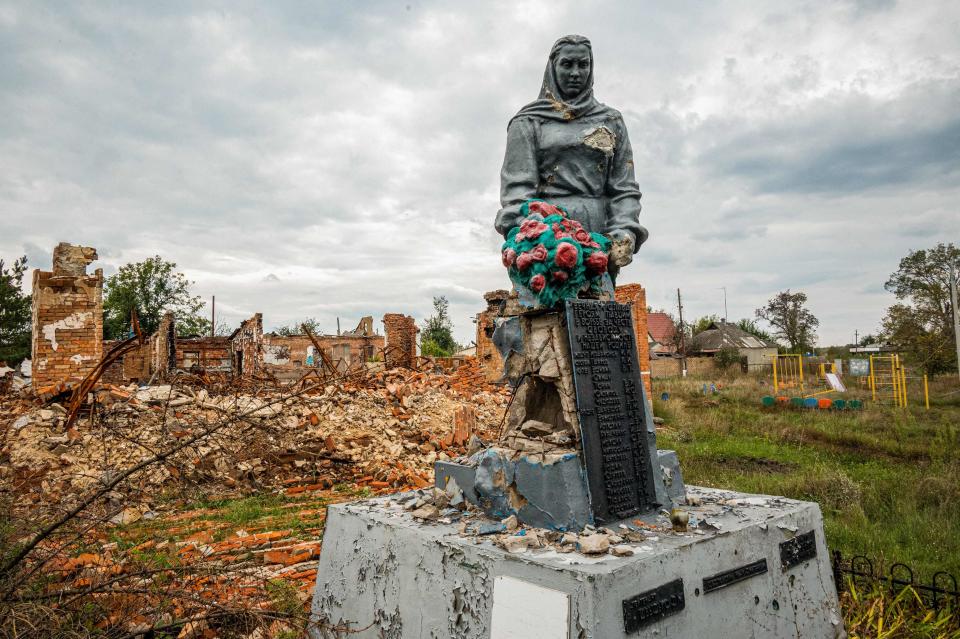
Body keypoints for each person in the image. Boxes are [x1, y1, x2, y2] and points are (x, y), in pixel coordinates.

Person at [495, 34, 647, 279]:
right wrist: (542, 237)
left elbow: (624, 188)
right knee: (549, 312)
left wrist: (624, 231)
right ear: (552, 68)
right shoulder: (528, 121)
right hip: (546, 240)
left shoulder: (610, 120)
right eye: (567, 64)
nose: (576, 72)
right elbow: (517, 193)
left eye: (583, 64)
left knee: (597, 311)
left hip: (599, 236)